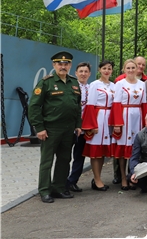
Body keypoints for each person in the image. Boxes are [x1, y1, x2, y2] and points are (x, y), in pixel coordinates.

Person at [28, 51, 82, 203]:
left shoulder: (74, 82)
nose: (63, 66)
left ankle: (58, 188)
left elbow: (77, 106)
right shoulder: (46, 82)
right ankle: (45, 190)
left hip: (68, 129)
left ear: (70, 65)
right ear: (54, 65)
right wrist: (39, 128)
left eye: (66, 64)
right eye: (60, 64)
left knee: (64, 160)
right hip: (51, 129)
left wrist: (78, 125)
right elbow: (34, 106)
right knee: (47, 161)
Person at [110, 59, 147, 191]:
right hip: (124, 116)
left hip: (137, 116)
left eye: (133, 67)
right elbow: (116, 105)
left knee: (136, 148)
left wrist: (146, 121)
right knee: (123, 150)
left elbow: (144, 104)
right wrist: (117, 123)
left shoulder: (142, 84)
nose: (131, 70)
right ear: (124, 69)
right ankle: (122, 177)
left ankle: (134, 176)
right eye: (129, 68)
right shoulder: (120, 84)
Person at [81, 60, 115, 191]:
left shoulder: (113, 86)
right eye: (104, 68)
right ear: (100, 70)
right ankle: (97, 179)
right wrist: (92, 125)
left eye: (109, 68)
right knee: (96, 151)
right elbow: (90, 106)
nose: (107, 70)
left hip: (109, 118)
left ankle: (98, 178)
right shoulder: (95, 85)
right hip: (99, 117)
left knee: (102, 152)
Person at [66, 62, 91, 193]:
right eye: (80, 71)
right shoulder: (71, 87)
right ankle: (61, 181)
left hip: (84, 127)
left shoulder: (91, 88)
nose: (83, 74)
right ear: (76, 73)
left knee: (80, 156)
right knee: (65, 156)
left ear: (89, 74)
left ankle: (72, 181)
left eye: (86, 71)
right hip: (70, 127)